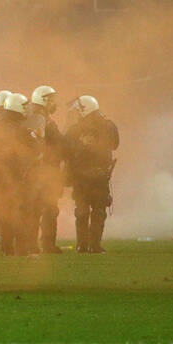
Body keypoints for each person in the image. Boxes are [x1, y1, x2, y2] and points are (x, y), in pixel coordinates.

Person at [64, 96, 120, 254]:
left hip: (80, 176)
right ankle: (95, 245)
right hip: (99, 175)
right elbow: (115, 144)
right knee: (98, 210)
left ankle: (82, 245)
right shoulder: (108, 126)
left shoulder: (75, 129)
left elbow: (65, 148)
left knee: (82, 211)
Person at [0, 92, 42, 256]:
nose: (27, 110)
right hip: (18, 176)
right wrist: (37, 137)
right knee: (23, 212)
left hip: (0, 177)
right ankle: (21, 248)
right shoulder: (20, 129)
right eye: (24, 106)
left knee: (5, 212)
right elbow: (35, 149)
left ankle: (7, 248)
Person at [26, 85, 67, 254]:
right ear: (43, 100)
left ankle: (31, 244)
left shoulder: (33, 117)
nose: (54, 103)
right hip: (44, 171)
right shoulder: (42, 120)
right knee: (48, 209)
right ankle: (47, 245)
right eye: (51, 100)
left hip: (37, 171)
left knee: (35, 209)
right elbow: (58, 144)